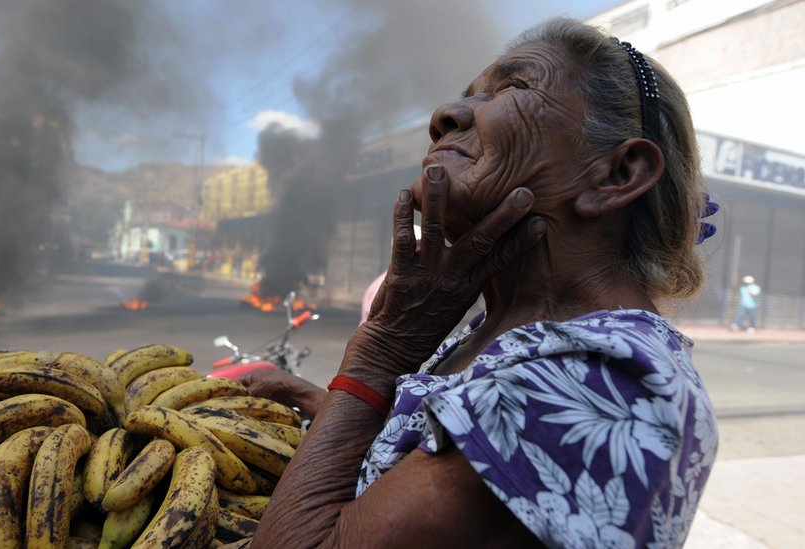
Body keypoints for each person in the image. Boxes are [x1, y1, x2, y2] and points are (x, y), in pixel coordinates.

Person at [241, 17, 719, 548]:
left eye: (514, 88)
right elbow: (435, 443)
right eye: (467, 95)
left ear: (617, 174)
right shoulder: (506, 333)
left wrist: (379, 353)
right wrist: (313, 398)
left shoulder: (598, 381)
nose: (445, 115)